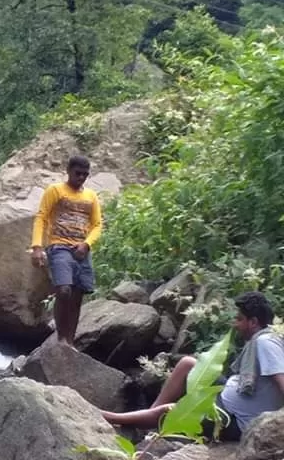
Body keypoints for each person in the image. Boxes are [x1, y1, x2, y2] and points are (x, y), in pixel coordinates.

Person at [102, 292, 284, 440]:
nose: (234, 324)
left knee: (172, 411)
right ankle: (149, 418)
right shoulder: (263, 339)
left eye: (239, 319)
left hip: (233, 418)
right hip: (228, 392)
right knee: (187, 363)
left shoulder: (266, 343)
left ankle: (109, 418)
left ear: (253, 322)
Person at [30, 155, 102, 345]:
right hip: (59, 246)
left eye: (85, 175)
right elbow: (41, 217)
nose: (81, 178)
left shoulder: (91, 196)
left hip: (82, 249)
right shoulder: (55, 190)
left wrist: (86, 244)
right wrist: (37, 247)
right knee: (64, 290)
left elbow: (97, 225)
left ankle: (69, 341)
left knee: (78, 295)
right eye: (78, 174)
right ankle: (61, 338)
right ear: (68, 171)